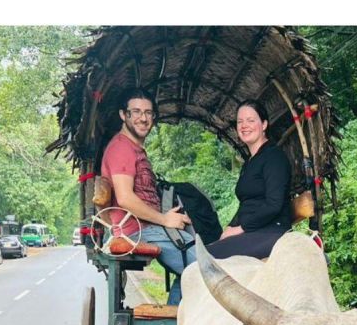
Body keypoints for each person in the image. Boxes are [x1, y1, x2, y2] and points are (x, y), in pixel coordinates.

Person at [100, 87, 196, 305]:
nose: (143, 118)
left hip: (149, 228)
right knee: (205, 271)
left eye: (148, 113)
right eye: (136, 112)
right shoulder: (121, 148)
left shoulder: (135, 148)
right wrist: (164, 219)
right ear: (123, 115)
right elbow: (124, 198)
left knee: (204, 263)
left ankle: (172, 321)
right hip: (137, 232)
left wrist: (166, 216)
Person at [205, 99, 292, 260]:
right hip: (253, 230)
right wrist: (230, 227)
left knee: (208, 257)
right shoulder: (250, 162)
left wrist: (240, 228)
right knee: (205, 251)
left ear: (264, 124)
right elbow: (246, 204)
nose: (244, 125)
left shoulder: (274, 157)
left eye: (251, 120)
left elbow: (274, 204)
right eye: (240, 121)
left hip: (271, 230)